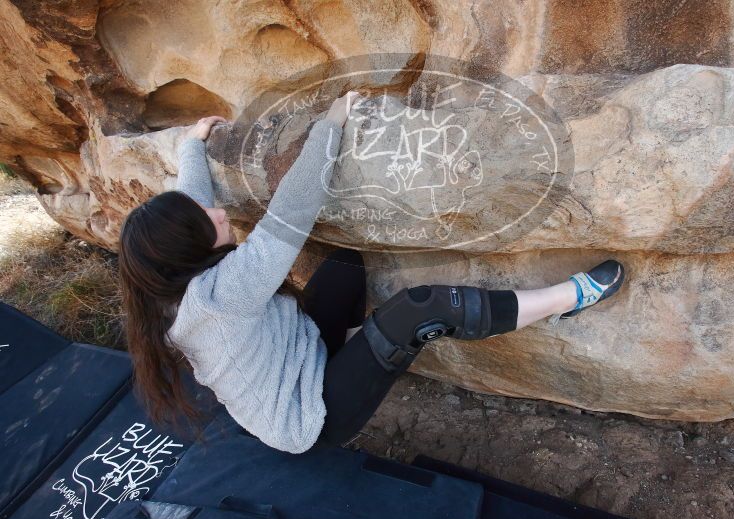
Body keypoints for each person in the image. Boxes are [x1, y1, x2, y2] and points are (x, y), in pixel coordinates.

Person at [118, 90, 625, 454]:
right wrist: (330, 125)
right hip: (308, 415)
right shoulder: (218, 298)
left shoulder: (170, 281)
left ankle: (367, 346)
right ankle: (566, 297)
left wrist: (192, 145)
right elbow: (291, 212)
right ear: (188, 253)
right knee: (417, 310)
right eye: (207, 223)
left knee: (343, 265)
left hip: (301, 353)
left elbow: (191, 208)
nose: (220, 214)